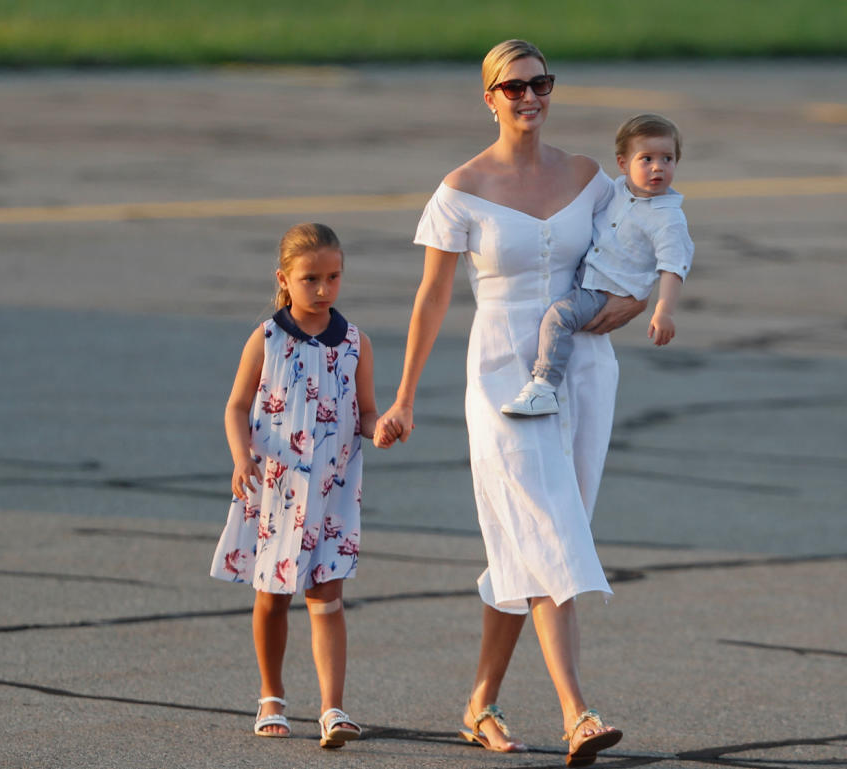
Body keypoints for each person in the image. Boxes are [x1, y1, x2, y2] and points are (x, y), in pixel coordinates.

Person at [374, 40, 645, 767]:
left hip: (585, 368)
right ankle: (578, 713)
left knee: (535, 543)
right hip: (501, 378)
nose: (529, 97)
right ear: (488, 98)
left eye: (540, 84)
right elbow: (431, 298)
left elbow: (635, 246)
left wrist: (632, 299)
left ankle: (480, 702)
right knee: (552, 534)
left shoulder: (590, 176)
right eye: (514, 87)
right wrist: (402, 396)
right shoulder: (460, 188)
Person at [209, 223, 376, 749]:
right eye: (310, 279)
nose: (323, 289)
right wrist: (241, 457)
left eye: (333, 277)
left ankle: (333, 708)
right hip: (276, 488)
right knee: (274, 596)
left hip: (333, 491)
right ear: (284, 279)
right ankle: (272, 695)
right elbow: (237, 407)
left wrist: (384, 426)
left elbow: (366, 412)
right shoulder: (266, 339)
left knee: (327, 595)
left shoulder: (355, 342)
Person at [502, 113, 694, 417]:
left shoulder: (668, 219)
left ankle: (543, 387)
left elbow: (673, 266)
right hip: (585, 275)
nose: (658, 167)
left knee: (559, 318)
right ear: (623, 164)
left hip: (604, 290)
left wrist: (663, 310)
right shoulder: (616, 190)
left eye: (667, 159)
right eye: (646, 159)